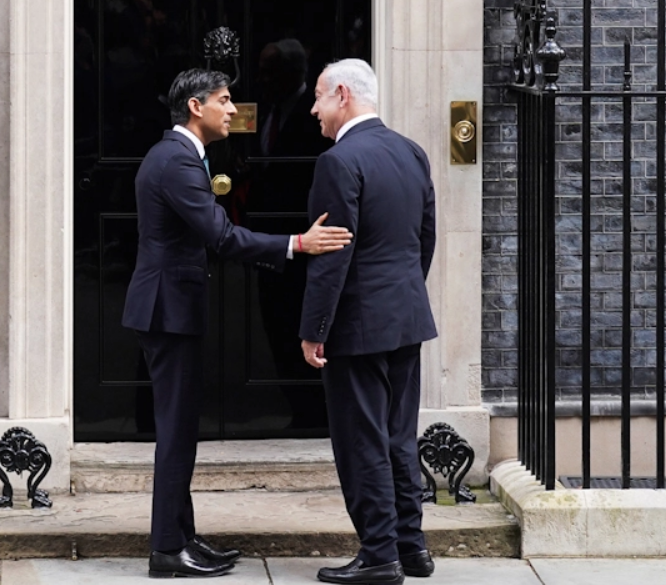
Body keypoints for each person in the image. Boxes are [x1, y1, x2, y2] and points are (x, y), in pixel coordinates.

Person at [123, 67, 354, 579]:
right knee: (176, 432)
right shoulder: (177, 162)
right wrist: (297, 244)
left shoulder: (180, 157)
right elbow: (222, 237)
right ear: (195, 107)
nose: (233, 110)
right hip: (167, 310)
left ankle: (182, 537)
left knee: (180, 429)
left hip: (172, 308)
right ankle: (166, 550)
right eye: (224, 101)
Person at [298, 58, 438, 585]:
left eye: (317, 96)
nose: (313, 108)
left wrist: (314, 329)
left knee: (363, 442)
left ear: (342, 94)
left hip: (358, 325)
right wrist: (402, 296)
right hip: (406, 316)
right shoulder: (411, 152)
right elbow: (424, 240)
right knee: (400, 439)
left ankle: (379, 554)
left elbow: (331, 256)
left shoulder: (338, 161)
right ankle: (412, 547)